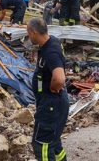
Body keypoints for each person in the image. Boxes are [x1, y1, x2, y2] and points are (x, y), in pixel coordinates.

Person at [27, 18, 68, 161]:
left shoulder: (50, 51)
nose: (28, 37)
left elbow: (60, 78)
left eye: (28, 33)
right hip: (54, 103)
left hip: (51, 105)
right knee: (54, 143)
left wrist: (53, 86)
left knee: (41, 144)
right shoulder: (52, 41)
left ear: (34, 32)